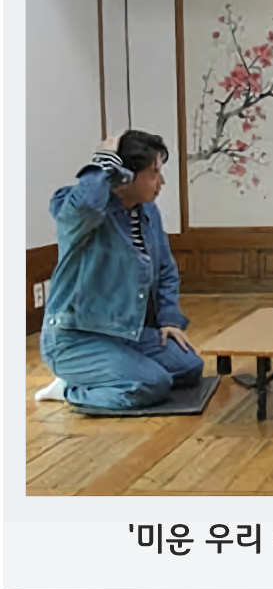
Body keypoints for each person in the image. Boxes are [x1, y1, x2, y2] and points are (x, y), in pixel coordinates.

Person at [36, 132, 204, 410]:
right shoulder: (78, 208)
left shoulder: (148, 212)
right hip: (75, 338)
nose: (161, 181)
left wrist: (169, 320)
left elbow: (165, 269)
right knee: (151, 384)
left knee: (189, 367)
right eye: (154, 173)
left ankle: (112, 372)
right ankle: (69, 389)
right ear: (126, 175)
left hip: (127, 333)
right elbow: (85, 205)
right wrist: (105, 162)